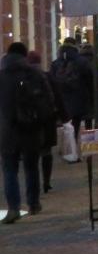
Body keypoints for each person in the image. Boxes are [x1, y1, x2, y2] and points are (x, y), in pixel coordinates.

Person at [1, 42, 56, 223]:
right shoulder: (35, 74)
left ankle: (14, 208)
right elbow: (49, 102)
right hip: (31, 129)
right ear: (25, 56)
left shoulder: (2, 75)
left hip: (7, 130)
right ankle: (33, 204)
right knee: (31, 167)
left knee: (9, 169)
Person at [25, 52, 65, 194]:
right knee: (46, 152)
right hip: (47, 119)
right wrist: (63, 117)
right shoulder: (47, 76)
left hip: (30, 122)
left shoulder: (24, 78)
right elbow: (58, 97)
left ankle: (33, 184)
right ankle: (46, 181)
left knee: (32, 154)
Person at [51, 39, 94, 150]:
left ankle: (68, 149)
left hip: (62, 100)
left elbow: (52, 82)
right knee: (77, 122)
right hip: (80, 98)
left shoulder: (55, 63)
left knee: (67, 125)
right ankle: (83, 147)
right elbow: (90, 79)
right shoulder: (82, 62)